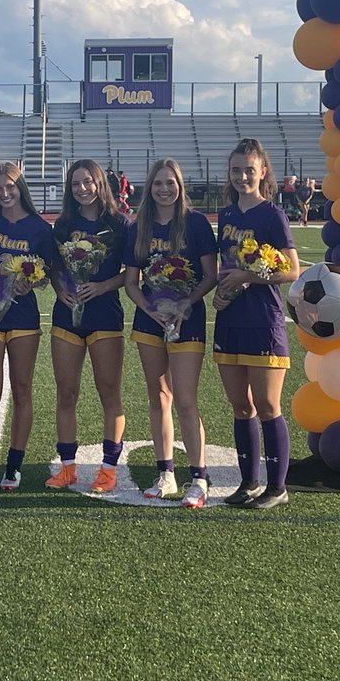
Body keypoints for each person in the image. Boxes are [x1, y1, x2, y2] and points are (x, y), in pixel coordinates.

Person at [122, 159, 219, 506]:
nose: (164, 189)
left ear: (180, 186)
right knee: (157, 396)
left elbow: (210, 275)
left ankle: (199, 477)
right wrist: (151, 309)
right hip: (150, 320)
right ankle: (165, 473)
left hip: (188, 319)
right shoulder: (139, 227)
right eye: (158, 183)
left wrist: (184, 303)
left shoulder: (194, 223)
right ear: (149, 188)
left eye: (171, 183)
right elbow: (132, 282)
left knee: (186, 400)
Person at [213, 138, 300, 510]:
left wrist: (247, 276)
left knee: (266, 404)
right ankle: (248, 482)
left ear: (262, 172)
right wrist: (221, 291)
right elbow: (224, 268)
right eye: (236, 170)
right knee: (240, 406)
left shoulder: (272, 215)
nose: (242, 176)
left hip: (263, 320)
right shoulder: (227, 216)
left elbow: (291, 269)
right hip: (230, 318)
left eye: (249, 170)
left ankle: (277, 487)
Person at [44, 159, 129, 494]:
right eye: (75, 184)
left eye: (87, 182)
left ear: (99, 184)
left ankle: (108, 469)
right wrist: (59, 288)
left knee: (109, 392)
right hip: (67, 316)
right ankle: (67, 468)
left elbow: (133, 272)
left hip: (105, 314)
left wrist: (104, 285)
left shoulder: (120, 224)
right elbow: (51, 267)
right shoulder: (63, 225)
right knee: (66, 392)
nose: (82, 189)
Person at [0, 161, 55, 496]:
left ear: (21, 188)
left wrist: (31, 282)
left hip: (24, 320)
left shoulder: (39, 228)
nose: (5, 193)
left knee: (22, 391)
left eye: (10, 186)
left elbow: (47, 276)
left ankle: (15, 464)